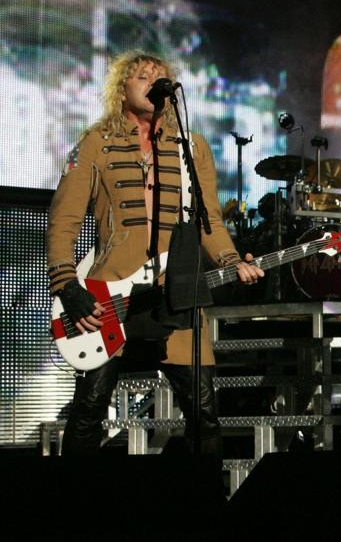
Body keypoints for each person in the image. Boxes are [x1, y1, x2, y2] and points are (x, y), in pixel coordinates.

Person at [47, 51, 264, 457]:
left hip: (175, 289)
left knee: (203, 409)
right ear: (121, 88)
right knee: (90, 406)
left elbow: (209, 221)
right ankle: (71, 504)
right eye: (142, 76)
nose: (153, 81)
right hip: (111, 294)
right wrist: (66, 284)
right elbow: (64, 219)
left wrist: (232, 261)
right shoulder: (98, 142)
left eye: (160, 76)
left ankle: (205, 502)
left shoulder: (191, 148)